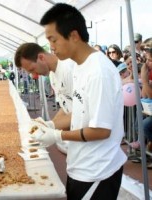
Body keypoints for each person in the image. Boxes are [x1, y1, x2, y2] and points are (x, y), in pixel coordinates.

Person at [30, 3, 127, 199]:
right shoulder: (80, 67)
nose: (52, 47)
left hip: (97, 171)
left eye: (53, 39)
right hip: (80, 165)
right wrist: (50, 124)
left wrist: (57, 135)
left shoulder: (99, 72)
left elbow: (101, 130)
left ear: (73, 35)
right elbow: (80, 113)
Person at [14, 42, 75, 154]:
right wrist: (46, 125)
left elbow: (82, 112)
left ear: (41, 57)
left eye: (32, 69)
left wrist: (50, 127)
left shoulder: (69, 70)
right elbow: (66, 106)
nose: (33, 75)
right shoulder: (52, 74)